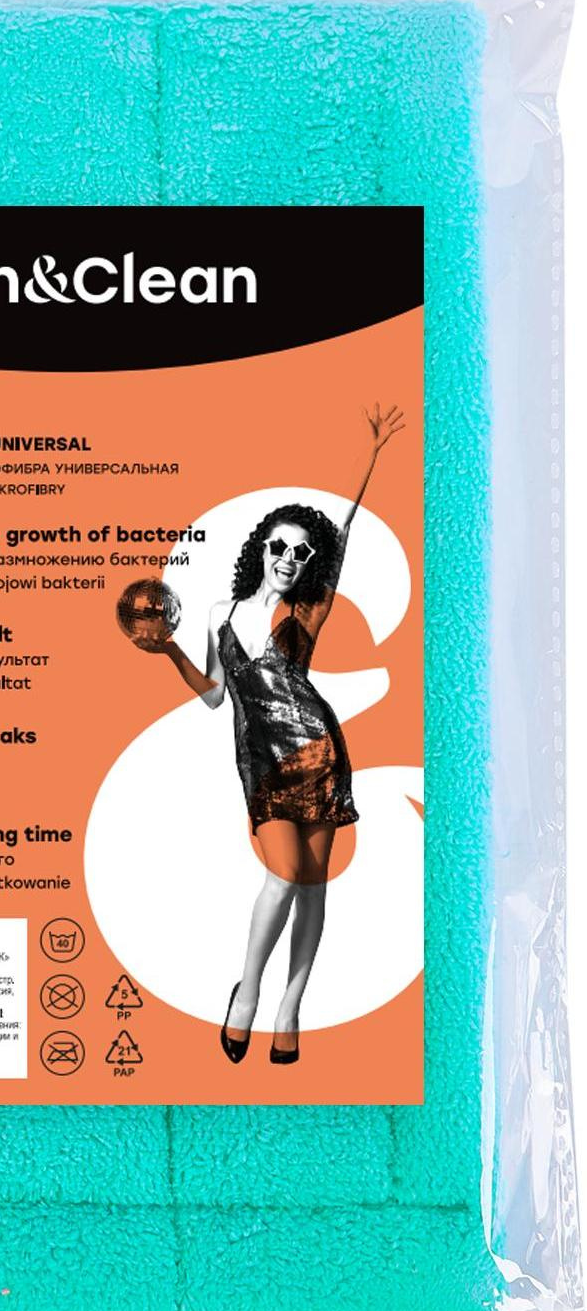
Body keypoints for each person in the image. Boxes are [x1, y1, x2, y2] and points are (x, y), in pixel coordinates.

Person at [132, 403, 404, 1064]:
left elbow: (342, 532)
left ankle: (291, 1006)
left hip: (320, 753)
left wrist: (369, 458)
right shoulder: (219, 611)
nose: (289, 557)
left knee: (313, 885)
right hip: (262, 765)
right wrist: (168, 651)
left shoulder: (307, 610)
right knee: (282, 876)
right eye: (279, 545)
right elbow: (214, 695)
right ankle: (248, 994)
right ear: (261, 548)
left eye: (301, 551)